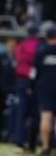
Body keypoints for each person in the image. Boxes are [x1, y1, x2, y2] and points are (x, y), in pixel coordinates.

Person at [14, 26, 41, 151]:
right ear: (37, 33)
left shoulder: (21, 46)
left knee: (21, 113)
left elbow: (17, 61)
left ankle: (19, 141)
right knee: (36, 113)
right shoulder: (39, 45)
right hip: (34, 82)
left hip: (20, 80)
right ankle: (32, 143)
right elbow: (37, 65)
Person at [32, 26, 56, 155]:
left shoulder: (41, 51)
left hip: (45, 87)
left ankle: (46, 147)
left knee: (45, 117)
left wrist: (31, 86)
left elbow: (34, 71)